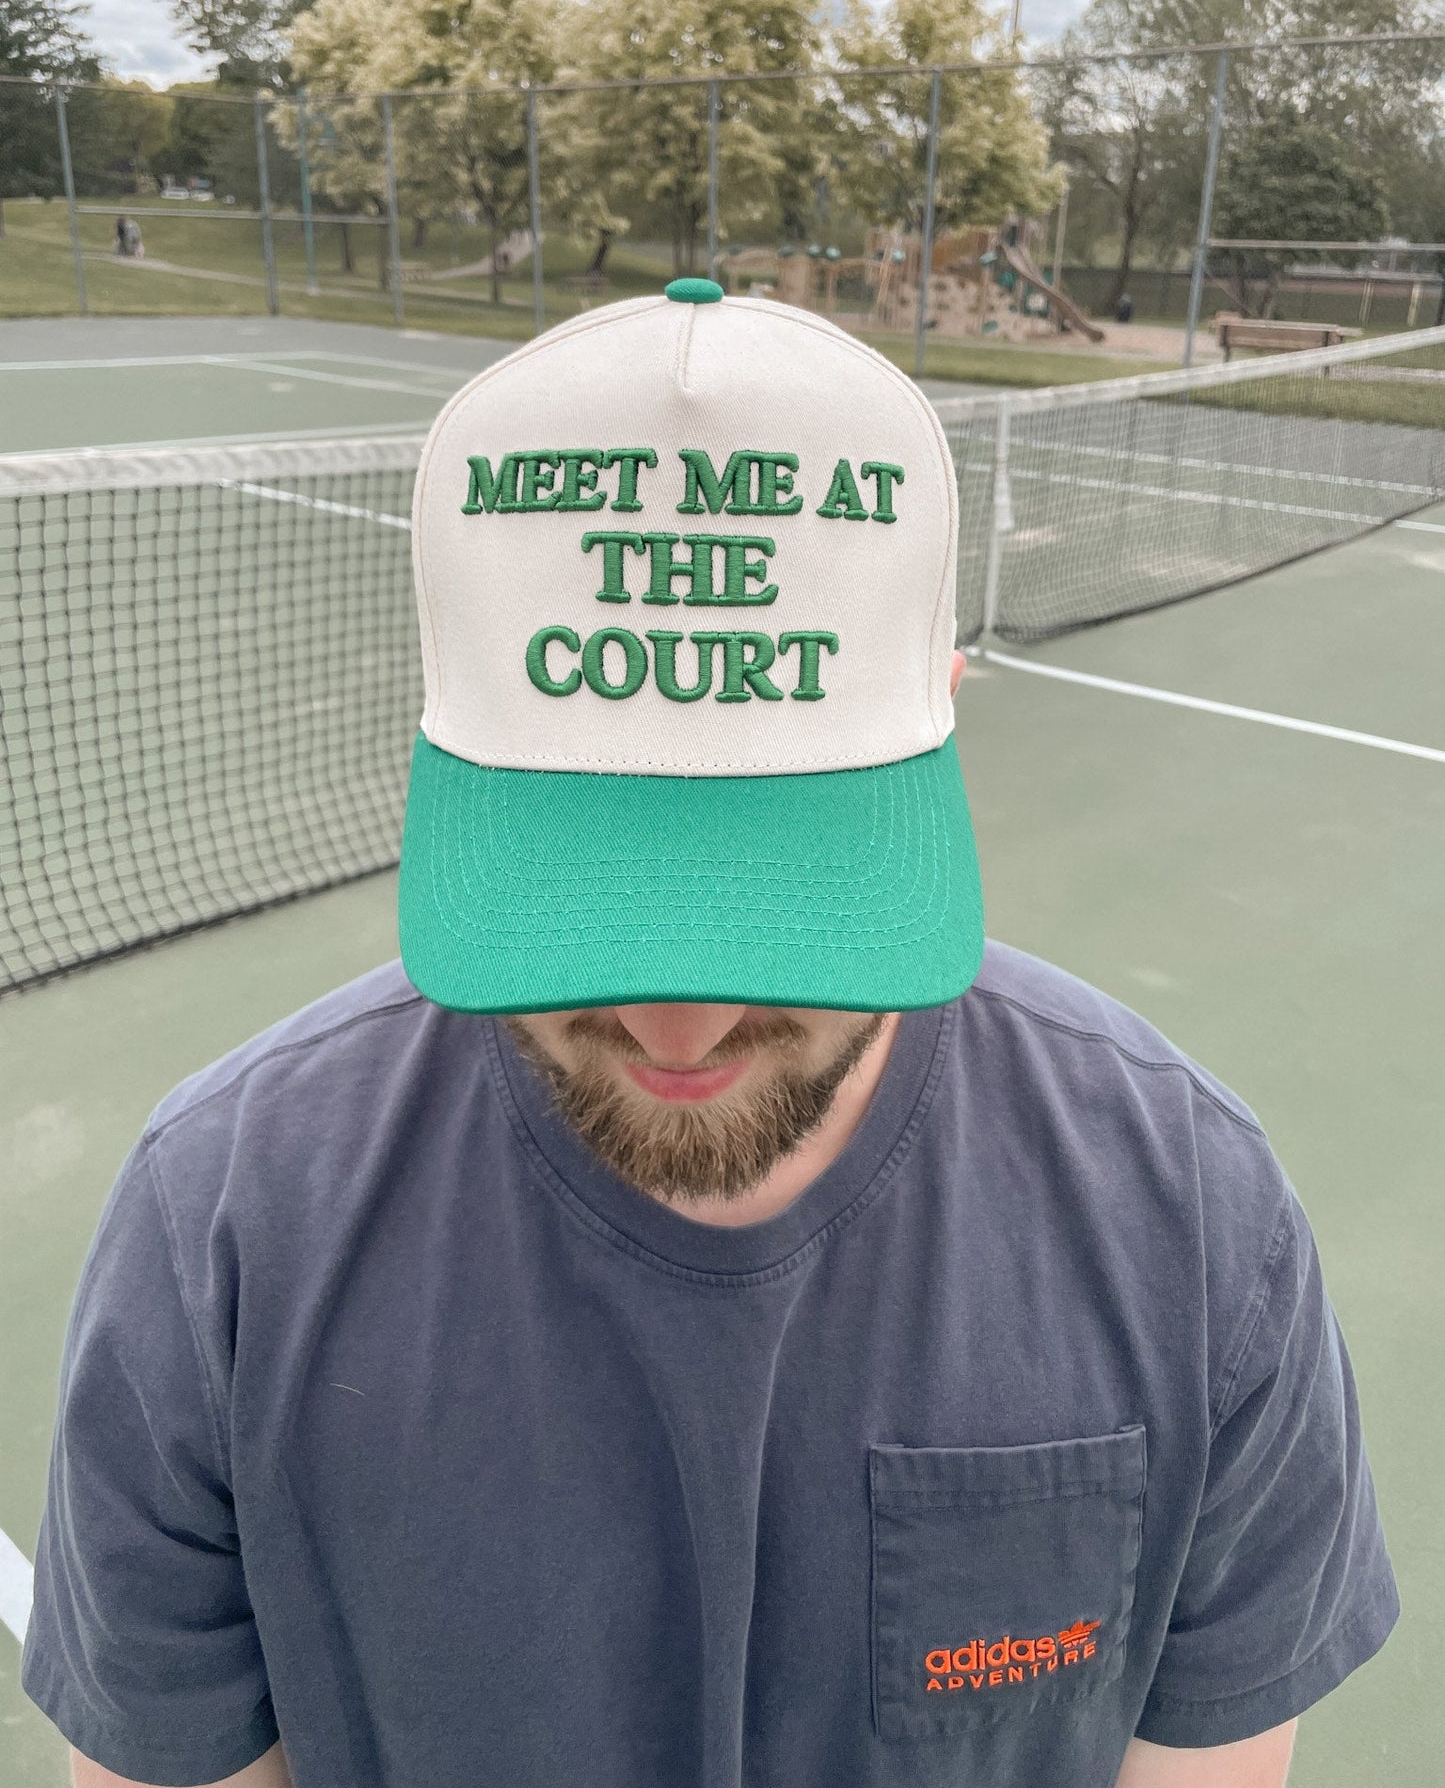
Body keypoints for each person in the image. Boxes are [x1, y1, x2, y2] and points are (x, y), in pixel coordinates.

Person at [23, 282, 1397, 1788]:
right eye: (586, 893)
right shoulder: (217, 1228)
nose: (681, 1017)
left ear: (945, 710)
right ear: (443, 738)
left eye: (782, 889)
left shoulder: (1192, 1219)